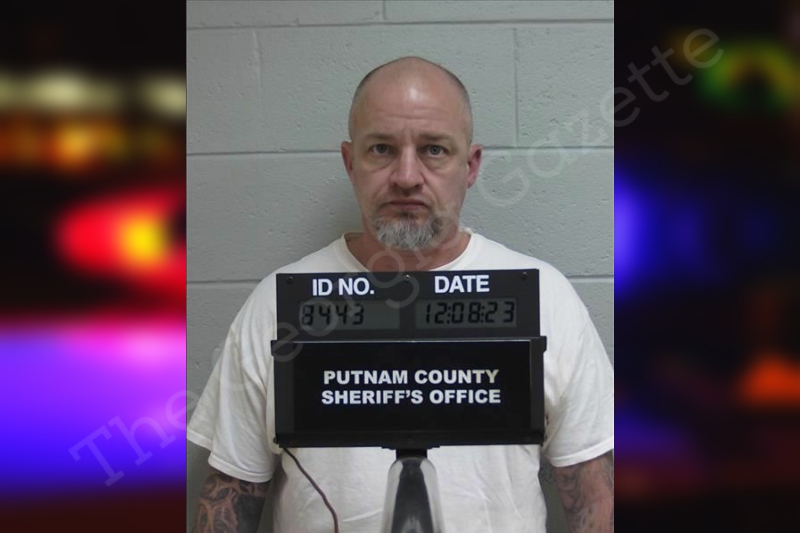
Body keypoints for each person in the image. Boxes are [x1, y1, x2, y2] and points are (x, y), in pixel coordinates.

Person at [188, 56, 614, 533]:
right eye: (382, 149)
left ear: (470, 166)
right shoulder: (279, 306)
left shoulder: (545, 298)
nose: (407, 176)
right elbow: (230, 499)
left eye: (434, 150)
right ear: (351, 162)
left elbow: (593, 500)